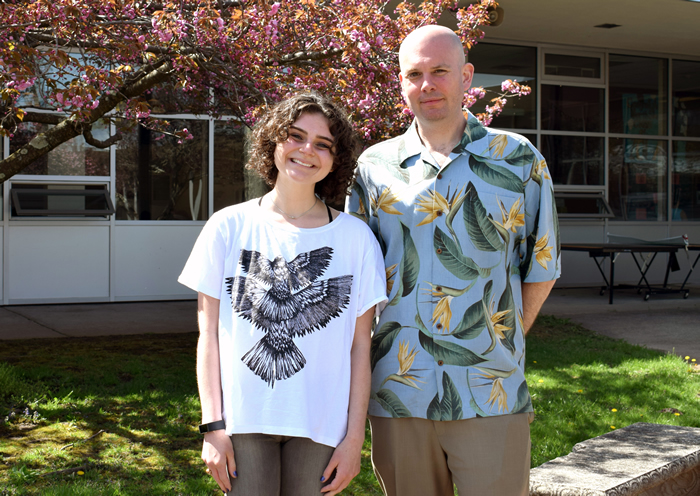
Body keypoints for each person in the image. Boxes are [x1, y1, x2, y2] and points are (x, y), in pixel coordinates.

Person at [346, 25, 561, 496]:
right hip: (398, 391)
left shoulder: (517, 160)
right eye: (414, 74)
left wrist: (503, 335)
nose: (427, 84)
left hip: (492, 388)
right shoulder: (373, 168)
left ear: (466, 76)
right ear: (401, 84)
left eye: (439, 71)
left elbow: (541, 264)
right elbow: (357, 280)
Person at [179, 92, 387, 496]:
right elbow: (209, 337)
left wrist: (354, 439)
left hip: (321, 423)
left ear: (334, 159)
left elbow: (362, 346)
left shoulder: (355, 239)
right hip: (243, 419)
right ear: (273, 141)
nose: (306, 150)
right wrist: (212, 427)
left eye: (322, 144)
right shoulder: (227, 227)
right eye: (295, 136)